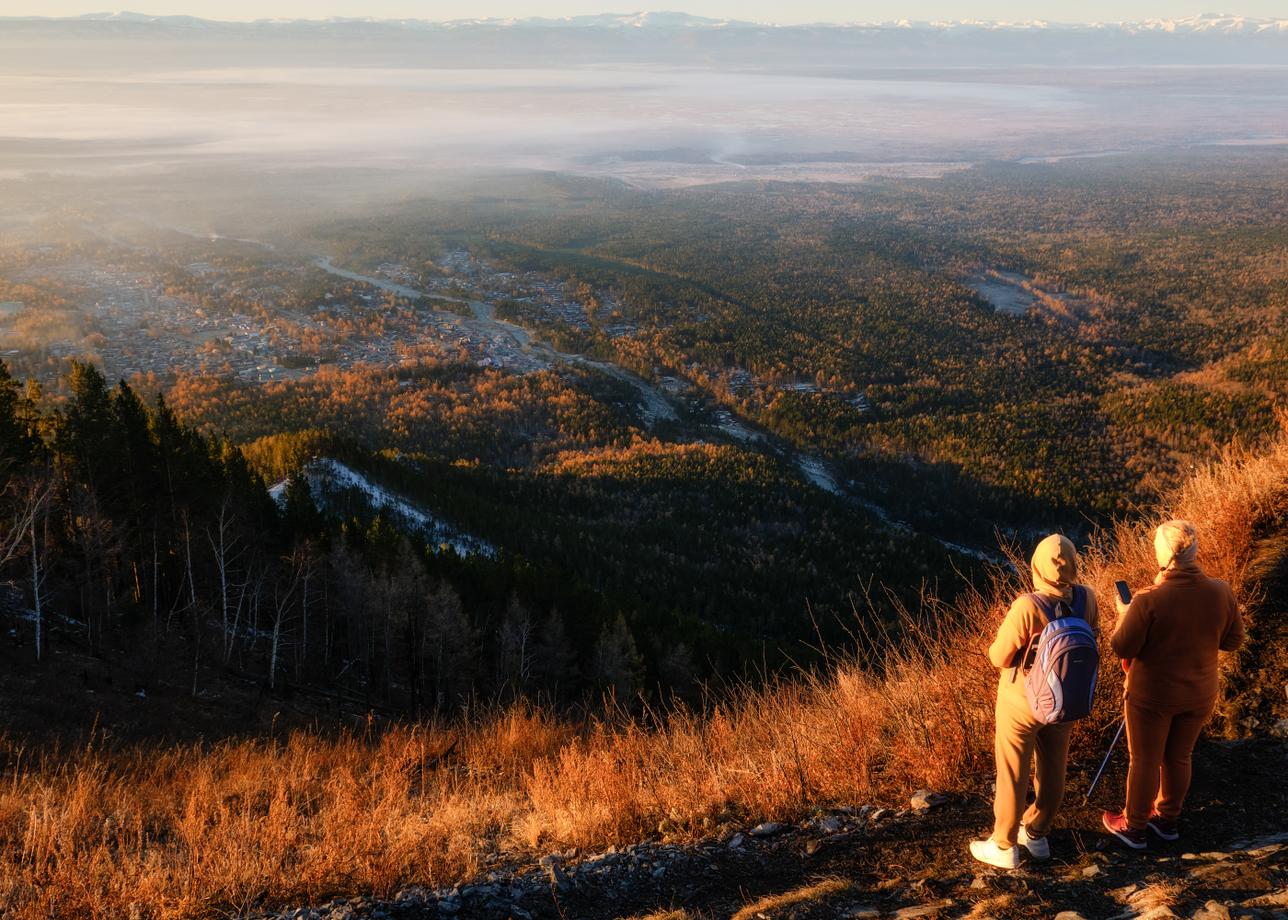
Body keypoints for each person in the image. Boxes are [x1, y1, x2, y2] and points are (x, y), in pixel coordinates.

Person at [1102, 519, 1244, 849]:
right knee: (1179, 757)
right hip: (1199, 692)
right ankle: (1167, 820)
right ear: (1193, 553)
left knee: (1146, 760)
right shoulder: (1221, 591)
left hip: (1152, 696)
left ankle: (1134, 826)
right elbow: (1233, 641)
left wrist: (1125, 613)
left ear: (1163, 555)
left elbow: (1122, 647)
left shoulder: (1149, 599)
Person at [970, 533, 1099, 869]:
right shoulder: (1088, 598)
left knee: (1013, 771)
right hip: (1065, 699)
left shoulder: (1028, 606)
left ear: (1036, 568)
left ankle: (1004, 845)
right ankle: (1038, 834)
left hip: (1022, 703)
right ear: (1074, 565)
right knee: (1054, 768)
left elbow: (999, 657)